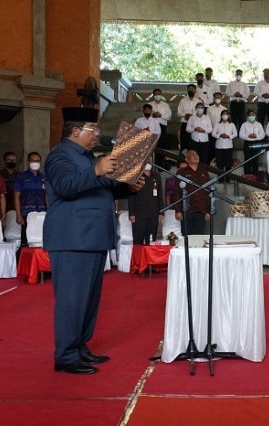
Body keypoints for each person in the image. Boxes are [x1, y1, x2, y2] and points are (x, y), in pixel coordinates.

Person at [44, 107, 144, 375]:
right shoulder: (59, 156)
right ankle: (65, 355)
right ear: (75, 131)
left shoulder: (89, 158)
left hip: (93, 237)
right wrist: (97, 170)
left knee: (88, 299)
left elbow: (107, 187)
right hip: (72, 238)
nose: (98, 134)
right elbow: (66, 186)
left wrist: (128, 186)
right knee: (71, 299)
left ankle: (79, 346)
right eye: (93, 129)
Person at [172, 150, 210, 235]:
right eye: (193, 155)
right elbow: (177, 191)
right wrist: (178, 210)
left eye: (197, 154)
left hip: (201, 210)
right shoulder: (182, 172)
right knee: (187, 236)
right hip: (186, 210)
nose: (196, 156)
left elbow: (207, 192)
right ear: (187, 159)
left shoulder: (204, 172)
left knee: (199, 236)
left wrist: (208, 210)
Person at [13, 152, 47, 246]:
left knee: (41, 237)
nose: (35, 162)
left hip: (42, 212)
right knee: (26, 239)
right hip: (26, 213)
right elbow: (16, 196)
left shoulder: (43, 177)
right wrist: (18, 214)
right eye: (33, 160)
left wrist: (49, 211)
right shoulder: (21, 177)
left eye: (37, 161)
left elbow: (47, 196)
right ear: (28, 162)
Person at [127, 163, 163, 244]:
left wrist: (161, 212)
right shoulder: (135, 175)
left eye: (149, 160)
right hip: (139, 214)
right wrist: (131, 213)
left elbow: (160, 194)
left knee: (151, 240)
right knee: (138, 240)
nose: (148, 162)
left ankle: (149, 256)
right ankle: (138, 256)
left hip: (154, 213)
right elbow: (131, 195)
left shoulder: (156, 176)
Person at [239, 109, 266, 175]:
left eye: (253, 115)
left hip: (256, 143)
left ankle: (255, 176)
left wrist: (256, 136)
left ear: (255, 116)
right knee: (247, 160)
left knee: (255, 160)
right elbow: (241, 135)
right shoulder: (244, 124)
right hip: (248, 143)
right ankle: (247, 176)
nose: (251, 116)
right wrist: (249, 136)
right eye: (250, 115)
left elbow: (263, 135)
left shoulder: (259, 124)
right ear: (247, 116)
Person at [212, 109, 238, 175]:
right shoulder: (217, 124)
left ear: (228, 116)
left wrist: (228, 136)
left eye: (226, 114)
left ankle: (228, 178)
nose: (225, 116)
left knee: (228, 163)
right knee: (219, 163)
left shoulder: (231, 124)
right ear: (221, 116)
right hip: (219, 146)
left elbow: (235, 134)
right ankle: (220, 178)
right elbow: (213, 134)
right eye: (223, 114)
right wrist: (219, 135)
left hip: (228, 146)